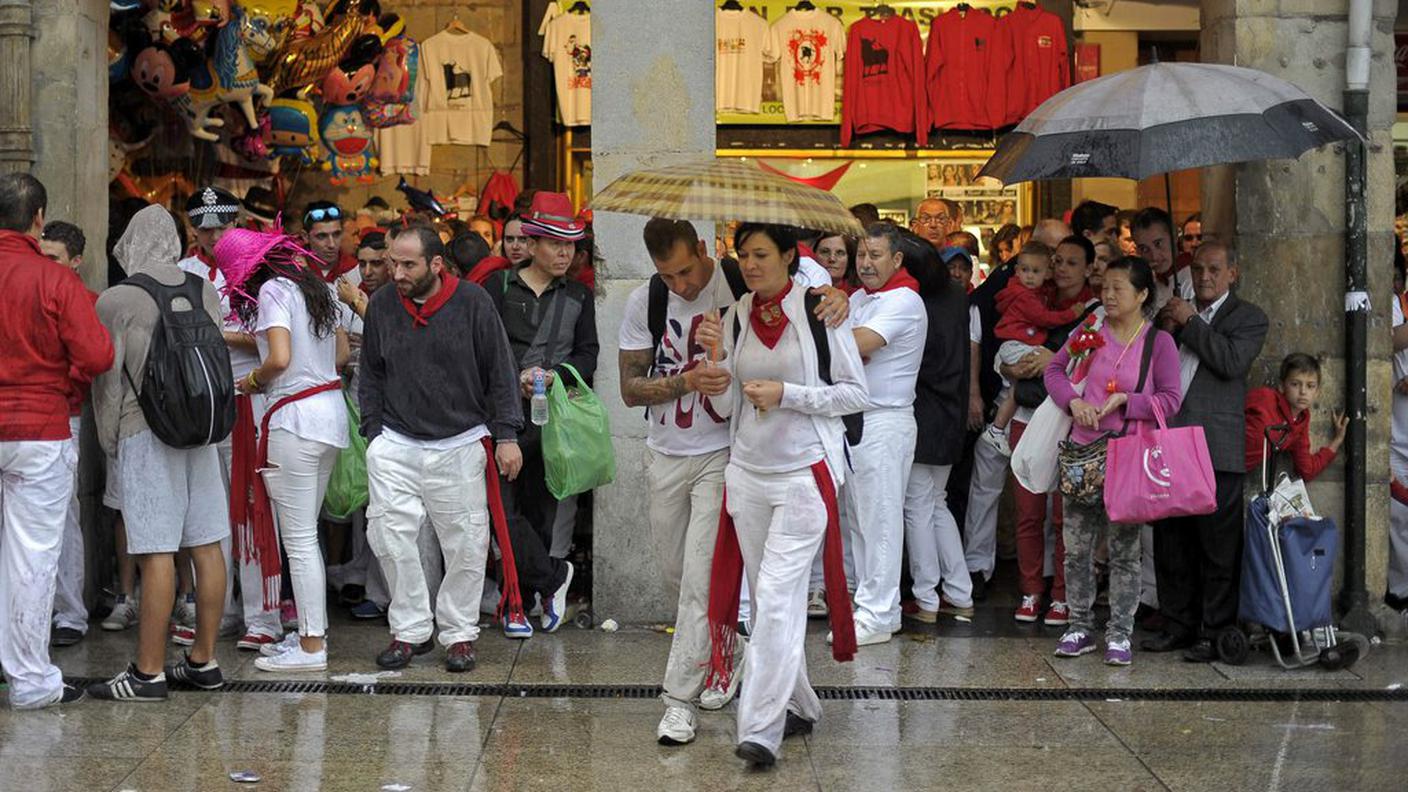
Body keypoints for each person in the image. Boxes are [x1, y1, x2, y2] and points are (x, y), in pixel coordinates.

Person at [704, 223, 869, 768]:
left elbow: (852, 394)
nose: (749, 265)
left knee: (774, 597)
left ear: (787, 258)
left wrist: (788, 395)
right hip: (748, 473)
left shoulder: (822, 309)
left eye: (760, 255)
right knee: (769, 594)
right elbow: (728, 408)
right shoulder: (733, 315)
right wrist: (715, 367)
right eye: (742, 255)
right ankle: (800, 703)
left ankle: (761, 727)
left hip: (804, 473)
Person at [360, 223, 524, 673]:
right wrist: (372, 432)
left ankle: (458, 633)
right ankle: (410, 630)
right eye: (394, 262)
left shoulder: (474, 303)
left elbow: (500, 371)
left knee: (467, 543)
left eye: (408, 264)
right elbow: (370, 372)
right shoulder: (381, 305)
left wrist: (506, 435)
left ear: (436, 264)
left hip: (460, 439)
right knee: (391, 538)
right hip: (395, 439)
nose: (397, 273)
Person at [89, 205, 228, 701]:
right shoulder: (203, 288)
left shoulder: (117, 299)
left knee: (156, 553)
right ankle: (203, 661)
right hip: (202, 433)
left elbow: (108, 384)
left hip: (144, 432)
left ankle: (147, 672)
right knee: (207, 545)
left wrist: (109, 445)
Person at [214, 227, 352, 673]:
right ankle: (310, 633)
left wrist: (252, 381)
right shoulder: (319, 288)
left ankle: (312, 646)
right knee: (305, 535)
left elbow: (277, 358)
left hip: (293, 421)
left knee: (299, 539)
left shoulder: (273, 290)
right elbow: (342, 355)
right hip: (330, 414)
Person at [0, 174, 112, 707]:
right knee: (31, 557)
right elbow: (96, 356)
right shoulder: (54, 280)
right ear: (39, 218)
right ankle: (28, 680)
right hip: (40, 428)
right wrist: (62, 382)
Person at [1045, 256, 1183, 666]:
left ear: (1142, 295)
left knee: (1124, 549)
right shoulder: (1090, 329)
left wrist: (1128, 401)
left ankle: (1120, 632)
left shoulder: (1159, 342)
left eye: (1118, 288)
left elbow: (1171, 401)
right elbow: (1055, 370)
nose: (1107, 294)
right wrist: (1073, 402)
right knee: (1076, 548)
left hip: (1127, 456)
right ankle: (1079, 625)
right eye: (1104, 286)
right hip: (1082, 453)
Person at [1147, 241, 1268, 662]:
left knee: (1218, 546)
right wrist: (1167, 326)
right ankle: (1176, 623)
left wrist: (1192, 322)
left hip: (1216, 447)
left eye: (1214, 269)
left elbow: (1230, 361)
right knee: (1172, 543)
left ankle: (1214, 630)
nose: (1204, 277)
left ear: (1232, 272)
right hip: (1171, 441)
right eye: (1198, 269)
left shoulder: (1248, 317)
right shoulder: (1175, 313)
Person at [487, 192, 597, 637]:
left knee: (540, 514)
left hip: (552, 420)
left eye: (571, 245)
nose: (565, 253)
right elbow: (482, 351)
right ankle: (553, 576)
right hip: (500, 417)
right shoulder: (495, 288)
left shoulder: (579, 295)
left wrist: (557, 377)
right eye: (555, 243)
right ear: (531, 245)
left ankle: (522, 603)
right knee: (498, 510)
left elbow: (588, 355)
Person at [177, 186, 281, 652]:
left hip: (252, 400)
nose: (214, 237)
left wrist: (218, 333)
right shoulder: (182, 272)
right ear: (191, 228)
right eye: (205, 229)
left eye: (222, 227)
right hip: (206, 402)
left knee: (255, 507)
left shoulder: (260, 269)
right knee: (211, 513)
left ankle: (264, 616)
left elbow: (274, 339)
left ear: (236, 224)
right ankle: (218, 612)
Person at [841, 223, 928, 645]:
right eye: (861, 255)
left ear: (896, 259)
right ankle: (870, 607)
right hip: (855, 419)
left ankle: (879, 612)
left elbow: (859, 342)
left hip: (885, 420)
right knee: (860, 520)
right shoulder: (859, 297)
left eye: (875, 256)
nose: (865, 264)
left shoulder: (905, 300)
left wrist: (823, 333)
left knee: (881, 520)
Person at [899, 231, 974, 624]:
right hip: (950, 412)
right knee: (936, 502)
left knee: (917, 505)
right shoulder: (958, 296)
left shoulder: (913, 302)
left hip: (922, 409)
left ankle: (926, 597)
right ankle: (960, 592)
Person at [37, 220, 94, 646]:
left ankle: (70, 611)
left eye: (53, 258)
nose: (45, 264)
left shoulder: (87, 300)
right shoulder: (29, 288)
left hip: (65, 414)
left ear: (75, 262)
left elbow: (93, 360)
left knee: (64, 517)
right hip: (29, 415)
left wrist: (62, 384)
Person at [981, 241, 1088, 457]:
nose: (1062, 268)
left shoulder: (1038, 293)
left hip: (1042, 403)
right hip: (1018, 354)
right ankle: (997, 429)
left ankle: (996, 428)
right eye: (1058, 262)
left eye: (1071, 263)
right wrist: (1072, 314)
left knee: (1016, 387)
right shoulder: (1027, 296)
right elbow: (1044, 319)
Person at [1244, 354, 1346, 482]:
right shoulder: (1265, 397)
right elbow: (1230, 409)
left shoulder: (1299, 424)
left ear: (1317, 392)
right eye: (1295, 384)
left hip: (1235, 474)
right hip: (1215, 458)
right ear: (1282, 386)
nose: (1303, 391)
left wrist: (1337, 440)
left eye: (1310, 386)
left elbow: (1306, 470)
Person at [1131, 207, 1193, 311]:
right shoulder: (1148, 284)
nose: (1154, 256)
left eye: (1158, 244)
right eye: (1144, 249)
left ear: (1175, 237)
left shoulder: (1194, 277)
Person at [302, 201, 359, 286]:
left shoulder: (355, 270)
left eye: (336, 234)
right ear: (305, 237)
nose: (331, 244)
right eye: (322, 236)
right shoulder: (292, 271)